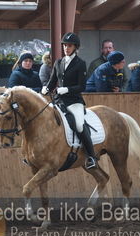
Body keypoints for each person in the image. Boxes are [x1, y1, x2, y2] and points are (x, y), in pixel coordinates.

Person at [41, 32, 96, 169]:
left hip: (74, 101)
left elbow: (81, 86)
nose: (66, 48)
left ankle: (91, 156)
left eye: (69, 46)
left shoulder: (80, 64)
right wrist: (46, 88)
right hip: (59, 100)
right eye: (65, 45)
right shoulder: (58, 62)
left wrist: (67, 89)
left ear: (75, 47)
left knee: (78, 124)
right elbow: (52, 81)